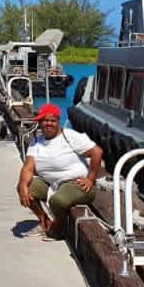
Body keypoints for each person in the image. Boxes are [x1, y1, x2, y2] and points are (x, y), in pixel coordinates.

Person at [16, 103, 103, 241]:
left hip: (77, 183)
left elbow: (97, 152)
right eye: (44, 120)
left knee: (58, 201)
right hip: (52, 184)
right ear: (39, 122)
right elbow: (28, 167)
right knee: (26, 188)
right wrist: (22, 185)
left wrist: (90, 179)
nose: (48, 124)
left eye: (52, 120)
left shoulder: (70, 136)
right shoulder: (36, 142)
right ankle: (44, 221)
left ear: (58, 121)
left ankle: (58, 228)